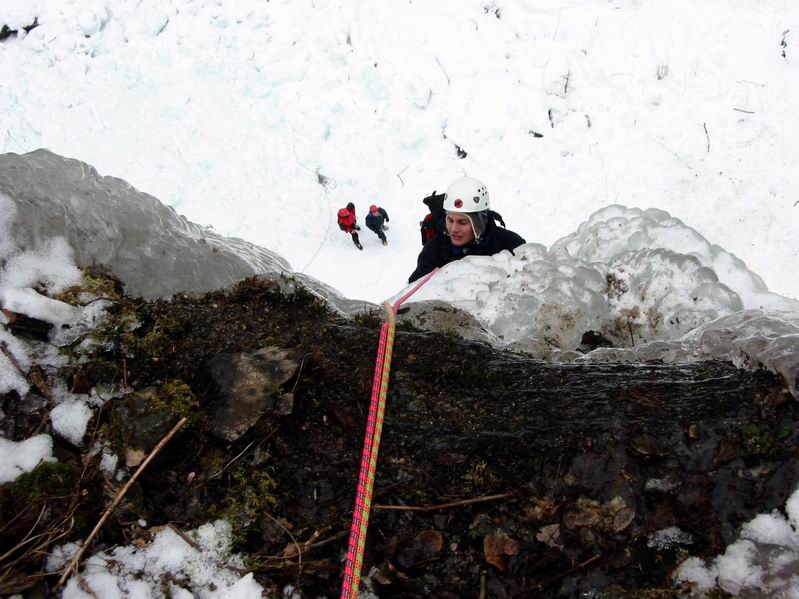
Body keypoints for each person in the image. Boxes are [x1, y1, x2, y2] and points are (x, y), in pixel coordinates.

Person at [408, 176, 525, 283]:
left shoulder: (508, 243)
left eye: (462, 222)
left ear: (479, 222)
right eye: (450, 220)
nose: (454, 229)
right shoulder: (435, 248)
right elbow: (417, 285)